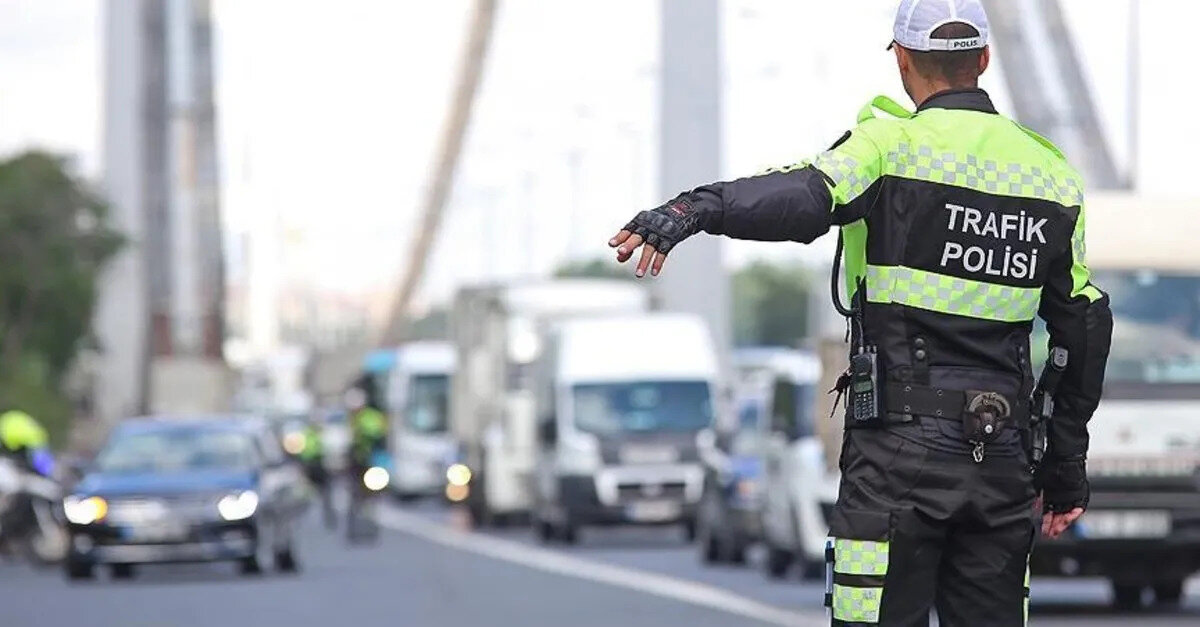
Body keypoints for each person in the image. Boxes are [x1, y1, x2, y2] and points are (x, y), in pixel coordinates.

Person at [608, 1, 1112, 624]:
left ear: (902, 60)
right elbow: (1084, 327)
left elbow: (801, 196)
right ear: (984, 59)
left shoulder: (889, 147)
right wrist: (1064, 468)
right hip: (1001, 457)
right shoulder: (1051, 175)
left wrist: (695, 209)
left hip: (898, 456)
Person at [343, 388, 387, 535]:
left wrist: (363, 433)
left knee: (372, 488)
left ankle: (370, 504)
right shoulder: (350, 419)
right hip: (356, 459)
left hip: (370, 460)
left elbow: (378, 432)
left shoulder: (371, 416)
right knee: (353, 487)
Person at [299, 415, 335, 529]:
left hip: (319, 466)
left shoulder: (320, 435)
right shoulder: (308, 435)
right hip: (313, 466)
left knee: (325, 493)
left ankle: (328, 516)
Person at [0, 410, 53, 476]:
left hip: (28, 442)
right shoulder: (10, 417)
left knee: (40, 465)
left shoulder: (5, 421)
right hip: (36, 439)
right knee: (44, 468)